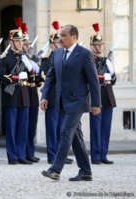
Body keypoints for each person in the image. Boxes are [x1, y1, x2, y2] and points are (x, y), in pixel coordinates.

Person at [40, 24, 101, 181]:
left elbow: (93, 81)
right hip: (62, 100)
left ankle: (55, 169)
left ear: (74, 37)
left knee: (65, 132)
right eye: (60, 35)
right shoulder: (58, 53)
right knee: (76, 136)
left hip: (78, 101)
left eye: (64, 35)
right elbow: (51, 76)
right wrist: (45, 96)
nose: (61, 38)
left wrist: (96, 103)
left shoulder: (85, 54)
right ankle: (86, 171)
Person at [0, 17, 34, 165]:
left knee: (23, 127)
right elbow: (1, 76)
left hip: (24, 95)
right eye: (18, 41)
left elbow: (32, 77)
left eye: (21, 41)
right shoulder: (5, 58)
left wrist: (30, 69)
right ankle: (12, 156)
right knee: (12, 128)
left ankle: (21, 154)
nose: (21, 43)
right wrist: (15, 77)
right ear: (11, 42)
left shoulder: (25, 57)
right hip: (12, 95)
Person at [39, 21, 73, 165]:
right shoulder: (47, 59)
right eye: (56, 43)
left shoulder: (66, 56)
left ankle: (61, 155)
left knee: (62, 128)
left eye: (60, 42)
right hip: (52, 97)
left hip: (63, 97)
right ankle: (52, 155)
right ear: (52, 45)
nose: (59, 45)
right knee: (52, 128)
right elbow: (46, 77)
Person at [89, 23, 117, 165]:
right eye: (97, 45)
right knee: (96, 127)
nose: (100, 47)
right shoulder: (89, 60)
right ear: (91, 46)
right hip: (96, 97)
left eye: (101, 45)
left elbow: (113, 80)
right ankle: (95, 155)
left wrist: (111, 72)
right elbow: (90, 78)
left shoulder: (107, 61)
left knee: (105, 127)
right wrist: (103, 77)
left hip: (108, 96)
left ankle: (103, 154)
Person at [21, 23, 42, 163]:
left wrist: (36, 66)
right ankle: (23, 153)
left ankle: (30, 152)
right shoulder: (20, 59)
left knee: (32, 126)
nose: (28, 47)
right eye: (26, 44)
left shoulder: (31, 58)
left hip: (32, 93)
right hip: (23, 92)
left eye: (29, 44)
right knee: (24, 125)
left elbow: (39, 80)